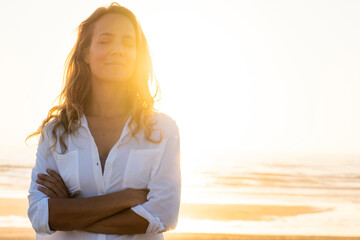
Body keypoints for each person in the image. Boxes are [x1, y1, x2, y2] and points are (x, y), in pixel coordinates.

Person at [25, 2, 181, 239]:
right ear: (85, 53)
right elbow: (39, 214)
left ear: (138, 55)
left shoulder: (162, 130)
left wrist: (70, 212)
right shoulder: (56, 132)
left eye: (128, 43)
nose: (117, 50)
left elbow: (163, 215)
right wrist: (125, 199)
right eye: (105, 40)